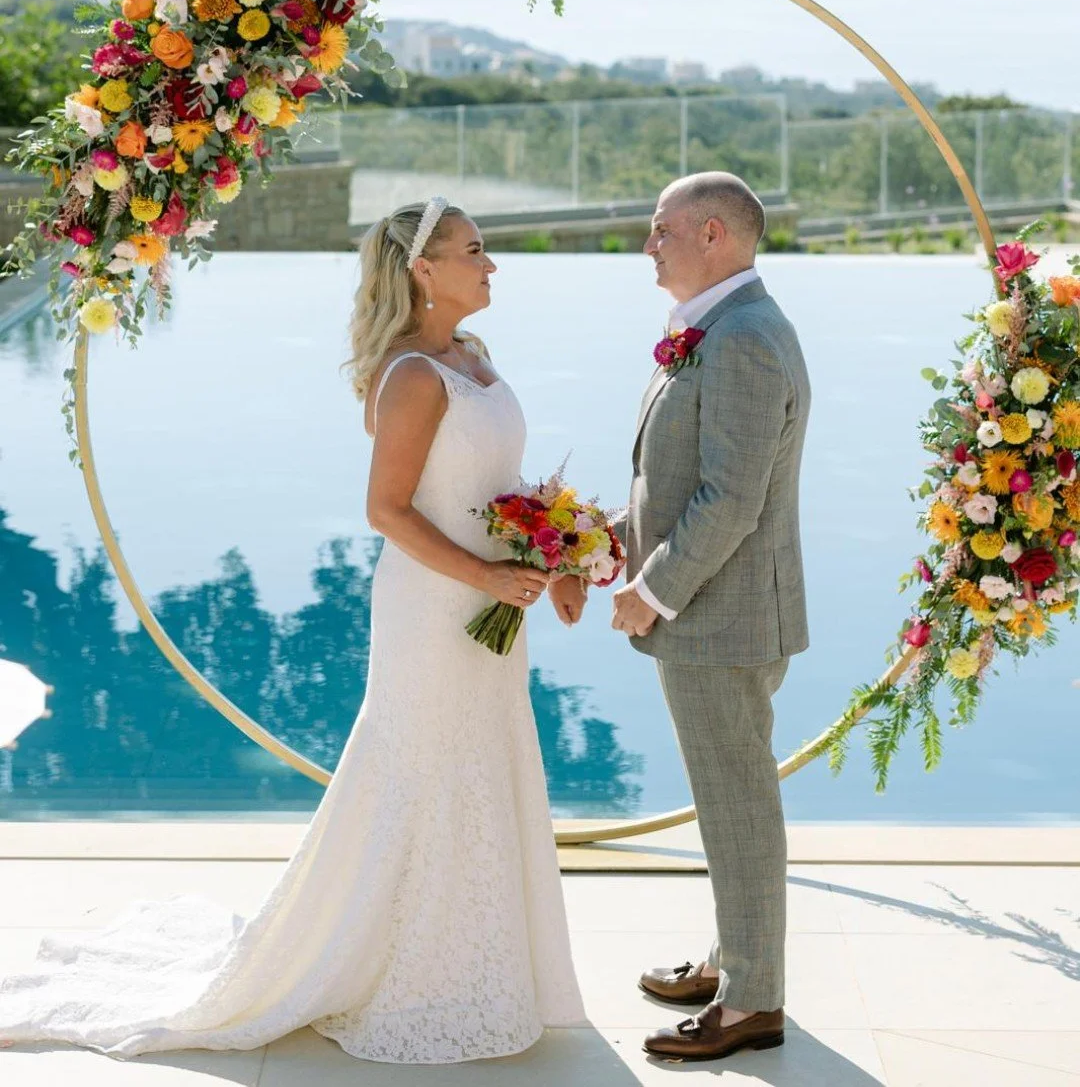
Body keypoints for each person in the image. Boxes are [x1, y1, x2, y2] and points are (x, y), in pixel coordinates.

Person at [0, 197, 585, 1063]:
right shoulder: (413, 376)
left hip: (490, 601)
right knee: (424, 769)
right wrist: (489, 575)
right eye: (474, 250)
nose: (491, 264)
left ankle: (470, 961)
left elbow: (493, 483)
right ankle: (402, 968)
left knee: (479, 763)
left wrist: (559, 551)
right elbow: (386, 510)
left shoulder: (474, 359)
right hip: (433, 609)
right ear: (424, 270)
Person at [559, 171, 811, 1062]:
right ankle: (738, 959)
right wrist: (596, 540)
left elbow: (732, 498)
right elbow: (678, 486)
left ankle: (751, 1005)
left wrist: (652, 590)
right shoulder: (724, 328)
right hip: (724, 609)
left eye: (658, 229)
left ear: (712, 234)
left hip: (722, 615)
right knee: (728, 801)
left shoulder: (742, 339)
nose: (647, 244)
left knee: (736, 805)